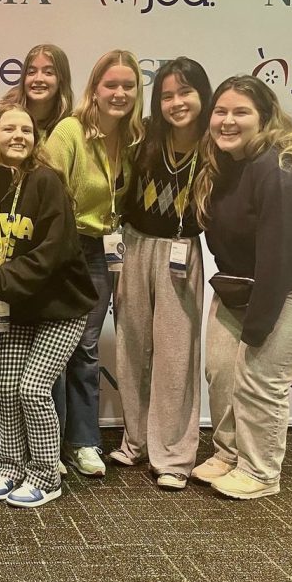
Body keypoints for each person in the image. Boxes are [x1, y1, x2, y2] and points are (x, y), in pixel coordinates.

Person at [190, 75, 292, 499]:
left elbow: (281, 259)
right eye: (220, 111)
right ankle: (228, 453)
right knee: (221, 371)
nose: (227, 121)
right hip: (242, 285)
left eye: (241, 112)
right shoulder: (223, 161)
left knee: (260, 374)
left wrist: (256, 328)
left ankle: (260, 472)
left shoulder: (279, 169)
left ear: (264, 119)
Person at [0, 104, 96, 508]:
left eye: (26, 129)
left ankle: (46, 475)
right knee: (8, 388)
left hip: (61, 306)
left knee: (32, 389)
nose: (18, 135)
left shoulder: (46, 180)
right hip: (17, 305)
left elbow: (56, 250)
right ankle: (10, 467)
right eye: (8, 128)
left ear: (36, 138)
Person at [110, 58, 212, 490]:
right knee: (132, 346)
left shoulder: (214, 146)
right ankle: (136, 441)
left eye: (185, 93)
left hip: (181, 252)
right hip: (134, 244)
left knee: (175, 354)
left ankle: (173, 457)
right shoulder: (146, 135)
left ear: (203, 96)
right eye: (168, 95)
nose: (177, 102)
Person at [45, 49, 143, 478]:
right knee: (55, 348)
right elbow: (45, 190)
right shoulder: (70, 130)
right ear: (94, 89)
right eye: (111, 85)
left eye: (128, 86)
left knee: (84, 348)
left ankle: (84, 442)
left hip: (108, 251)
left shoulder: (137, 138)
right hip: (67, 249)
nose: (119, 93)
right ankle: (51, 442)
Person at [0, 43, 74, 155]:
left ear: (62, 79)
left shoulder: (69, 126)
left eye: (48, 73)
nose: (38, 79)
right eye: (31, 72)